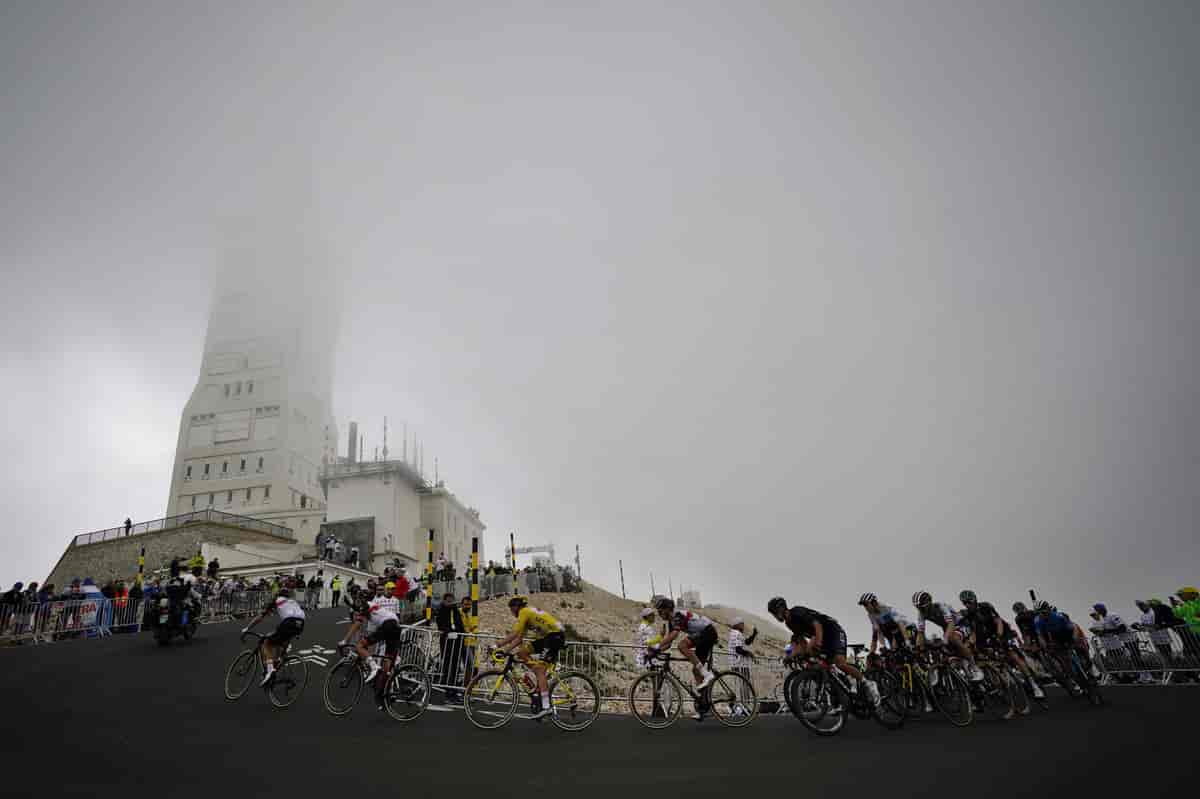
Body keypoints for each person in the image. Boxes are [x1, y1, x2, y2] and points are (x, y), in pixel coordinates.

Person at [768, 596, 880, 706]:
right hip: (821, 636)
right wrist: (791, 656)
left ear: (781, 609)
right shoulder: (789, 623)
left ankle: (868, 683)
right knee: (813, 660)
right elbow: (800, 641)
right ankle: (841, 689)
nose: (775, 616)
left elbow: (817, 625)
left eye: (774, 613)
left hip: (833, 631)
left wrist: (818, 642)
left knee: (840, 663)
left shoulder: (796, 612)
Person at [958, 590, 1044, 706]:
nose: (967, 605)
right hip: (985, 636)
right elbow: (973, 633)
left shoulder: (985, 606)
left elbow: (998, 621)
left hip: (1001, 631)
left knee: (1012, 655)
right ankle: (1001, 680)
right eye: (965, 603)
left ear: (974, 599)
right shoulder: (968, 615)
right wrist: (968, 645)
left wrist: (998, 636)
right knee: (984, 655)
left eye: (969, 602)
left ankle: (1034, 685)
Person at [493, 595, 564, 720]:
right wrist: (505, 651)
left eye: (511, 609)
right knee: (522, 653)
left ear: (516, 607)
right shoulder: (527, 614)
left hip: (554, 636)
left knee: (540, 670)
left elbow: (514, 633)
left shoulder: (524, 612)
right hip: (547, 637)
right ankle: (538, 676)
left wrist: (497, 645)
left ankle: (546, 707)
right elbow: (519, 639)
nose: (511, 612)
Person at [648, 596, 719, 719]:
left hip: (707, 632)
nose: (659, 614)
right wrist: (656, 651)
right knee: (696, 671)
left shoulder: (677, 615)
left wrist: (657, 647)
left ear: (668, 609)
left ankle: (707, 674)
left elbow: (675, 635)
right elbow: (669, 643)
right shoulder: (672, 621)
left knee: (682, 645)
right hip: (704, 634)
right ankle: (704, 706)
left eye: (660, 611)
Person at [339, 585, 402, 708]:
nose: (358, 602)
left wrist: (344, 640)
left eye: (358, 599)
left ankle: (373, 667)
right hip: (395, 627)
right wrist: (351, 605)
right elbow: (359, 610)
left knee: (360, 646)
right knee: (387, 665)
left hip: (388, 625)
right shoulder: (370, 606)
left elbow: (357, 623)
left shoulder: (366, 605)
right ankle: (383, 697)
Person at [911, 591, 982, 682]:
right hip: (948, 629)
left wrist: (945, 639)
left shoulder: (941, 606)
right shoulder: (921, 614)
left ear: (928, 603)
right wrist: (918, 648)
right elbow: (920, 633)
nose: (919, 609)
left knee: (952, 638)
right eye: (917, 607)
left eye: (921, 606)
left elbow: (951, 623)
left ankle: (974, 666)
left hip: (960, 624)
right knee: (938, 649)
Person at [243, 584, 306, 685]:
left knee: (266, 643)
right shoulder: (293, 602)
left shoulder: (277, 600)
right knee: (281, 644)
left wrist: (248, 628)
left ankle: (270, 670)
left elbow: (261, 617)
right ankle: (279, 662)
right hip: (301, 624)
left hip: (289, 622)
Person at [1033, 600, 1096, 683]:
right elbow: (1040, 635)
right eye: (1039, 613)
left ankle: (1090, 667)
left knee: (1080, 647)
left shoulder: (1059, 617)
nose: (1041, 615)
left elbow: (1074, 627)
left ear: (1048, 609)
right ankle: (1073, 678)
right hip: (1055, 636)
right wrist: (1045, 645)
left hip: (1067, 632)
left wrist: (1075, 638)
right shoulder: (1037, 620)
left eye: (1043, 612)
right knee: (1063, 657)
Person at [435, 592, 466, 702]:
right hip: (447, 643)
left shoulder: (455, 610)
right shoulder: (441, 611)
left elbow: (460, 624)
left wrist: (462, 634)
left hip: (457, 643)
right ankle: (448, 692)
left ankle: (453, 691)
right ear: (444, 601)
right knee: (448, 668)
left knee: (456, 668)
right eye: (448, 601)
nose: (450, 603)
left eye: (451, 600)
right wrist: (448, 632)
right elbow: (440, 625)